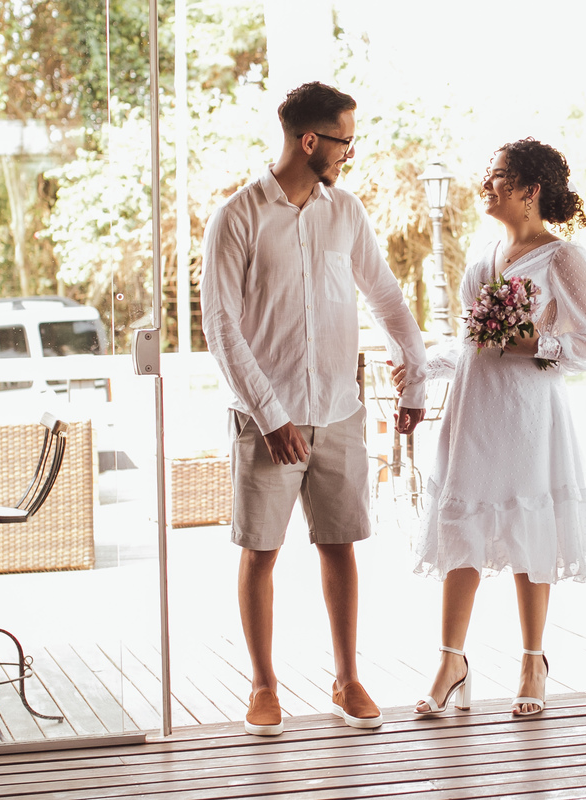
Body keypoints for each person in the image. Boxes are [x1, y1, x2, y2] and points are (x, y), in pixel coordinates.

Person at [200, 81, 429, 736]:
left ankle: (347, 677)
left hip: (338, 410)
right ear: (311, 141)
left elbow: (386, 297)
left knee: (340, 545)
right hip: (264, 417)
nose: (350, 153)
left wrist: (413, 382)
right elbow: (220, 326)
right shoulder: (237, 217)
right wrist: (269, 414)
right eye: (345, 141)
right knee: (261, 549)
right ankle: (264, 685)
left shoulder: (346, 214)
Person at [393, 138, 586, 718]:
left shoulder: (563, 259)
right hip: (474, 409)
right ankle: (450, 660)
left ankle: (533, 660)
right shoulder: (483, 255)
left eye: (495, 177)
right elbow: (470, 345)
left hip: (528, 413)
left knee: (525, 529)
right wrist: (419, 366)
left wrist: (533, 342)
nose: (484, 185)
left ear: (529, 190)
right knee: (461, 525)